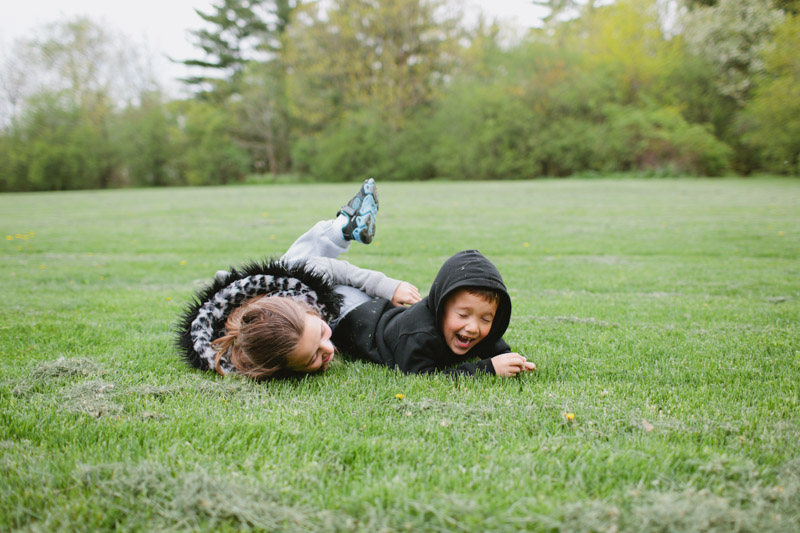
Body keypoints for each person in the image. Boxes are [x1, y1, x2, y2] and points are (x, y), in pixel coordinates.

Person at [177, 178, 419, 380]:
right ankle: (344, 225)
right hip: (273, 302)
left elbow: (344, 273)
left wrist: (387, 287)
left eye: (323, 334)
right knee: (295, 263)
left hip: (291, 280)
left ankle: (342, 227)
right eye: (311, 358)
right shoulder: (257, 358)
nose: (328, 350)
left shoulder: (302, 292)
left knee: (296, 261)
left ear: (311, 312)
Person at [332, 249, 537, 377]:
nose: (474, 327)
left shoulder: (478, 331)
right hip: (352, 317)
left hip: (382, 309)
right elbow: (421, 377)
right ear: (441, 308)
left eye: (486, 318)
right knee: (313, 274)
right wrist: (488, 369)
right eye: (463, 315)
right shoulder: (419, 335)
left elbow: (495, 346)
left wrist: (511, 360)